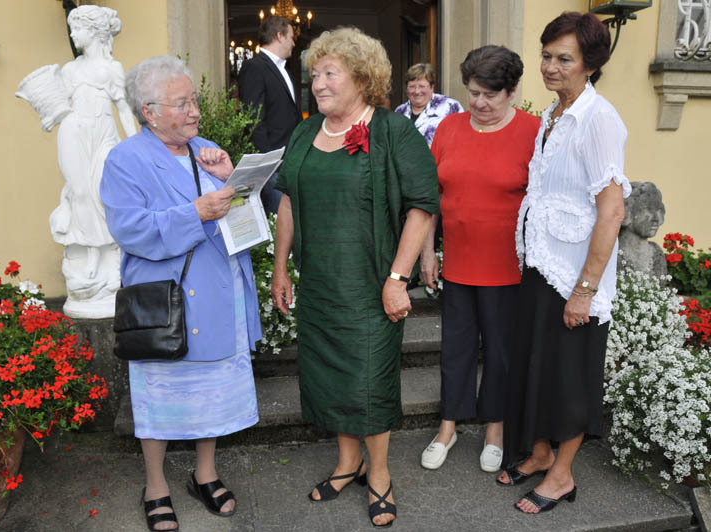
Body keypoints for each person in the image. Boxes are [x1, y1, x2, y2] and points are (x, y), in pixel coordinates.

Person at [270, 27, 439, 528]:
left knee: (370, 380)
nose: (318, 83)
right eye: (315, 74)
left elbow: (422, 208)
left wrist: (398, 278)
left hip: (371, 287)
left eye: (330, 73)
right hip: (320, 285)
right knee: (328, 377)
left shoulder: (393, 131)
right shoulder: (305, 133)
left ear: (362, 79)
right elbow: (287, 200)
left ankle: (379, 472)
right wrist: (281, 267)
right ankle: (348, 462)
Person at [100, 56, 262, 532]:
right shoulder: (126, 160)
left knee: (214, 392)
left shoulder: (207, 150)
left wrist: (233, 179)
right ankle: (155, 486)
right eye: (182, 103)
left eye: (194, 100)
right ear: (149, 112)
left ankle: (204, 473)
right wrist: (195, 213)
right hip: (167, 301)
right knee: (162, 395)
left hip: (221, 290)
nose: (195, 111)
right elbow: (130, 229)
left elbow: (243, 223)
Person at [496, 12, 630, 514]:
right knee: (538, 368)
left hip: (575, 276)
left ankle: (562, 475)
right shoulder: (555, 113)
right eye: (546, 56)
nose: (550, 66)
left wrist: (585, 289)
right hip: (541, 266)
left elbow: (612, 210)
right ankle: (540, 453)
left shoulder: (598, 119)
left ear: (590, 64)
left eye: (564, 59)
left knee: (571, 379)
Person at [418, 46, 540, 474]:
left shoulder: (533, 131)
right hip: (458, 261)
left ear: (512, 91)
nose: (480, 103)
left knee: (501, 351)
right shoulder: (449, 128)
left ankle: (495, 428)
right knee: (455, 349)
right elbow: (430, 197)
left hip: (509, 267)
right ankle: (447, 427)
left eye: (490, 95)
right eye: (473, 93)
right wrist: (427, 250)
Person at [54, 5, 137, 279]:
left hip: (103, 136)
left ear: (93, 31)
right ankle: (91, 252)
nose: (73, 34)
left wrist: (137, 145)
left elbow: (123, 109)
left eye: (77, 29)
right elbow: (59, 106)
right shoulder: (69, 70)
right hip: (74, 135)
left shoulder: (112, 68)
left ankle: (114, 249)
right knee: (80, 194)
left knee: (103, 193)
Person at [238, 15, 303, 214]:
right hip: (272, 166)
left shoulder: (284, 70)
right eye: (291, 37)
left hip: (289, 161)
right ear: (279, 36)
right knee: (277, 220)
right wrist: (270, 162)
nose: (293, 43)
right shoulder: (254, 67)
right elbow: (253, 120)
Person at [394, 63, 463, 146]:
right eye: (412, 87)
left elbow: (462, 139)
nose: (417, 91)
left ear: (432, 87)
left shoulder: (450, 106)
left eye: (422, 86)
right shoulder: (400, 111)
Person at [618, 181, 667, 277]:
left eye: (658, 210)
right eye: (648, 209)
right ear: (628, 211)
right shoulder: (613, 252)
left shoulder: (656, 254)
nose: (656, 219)